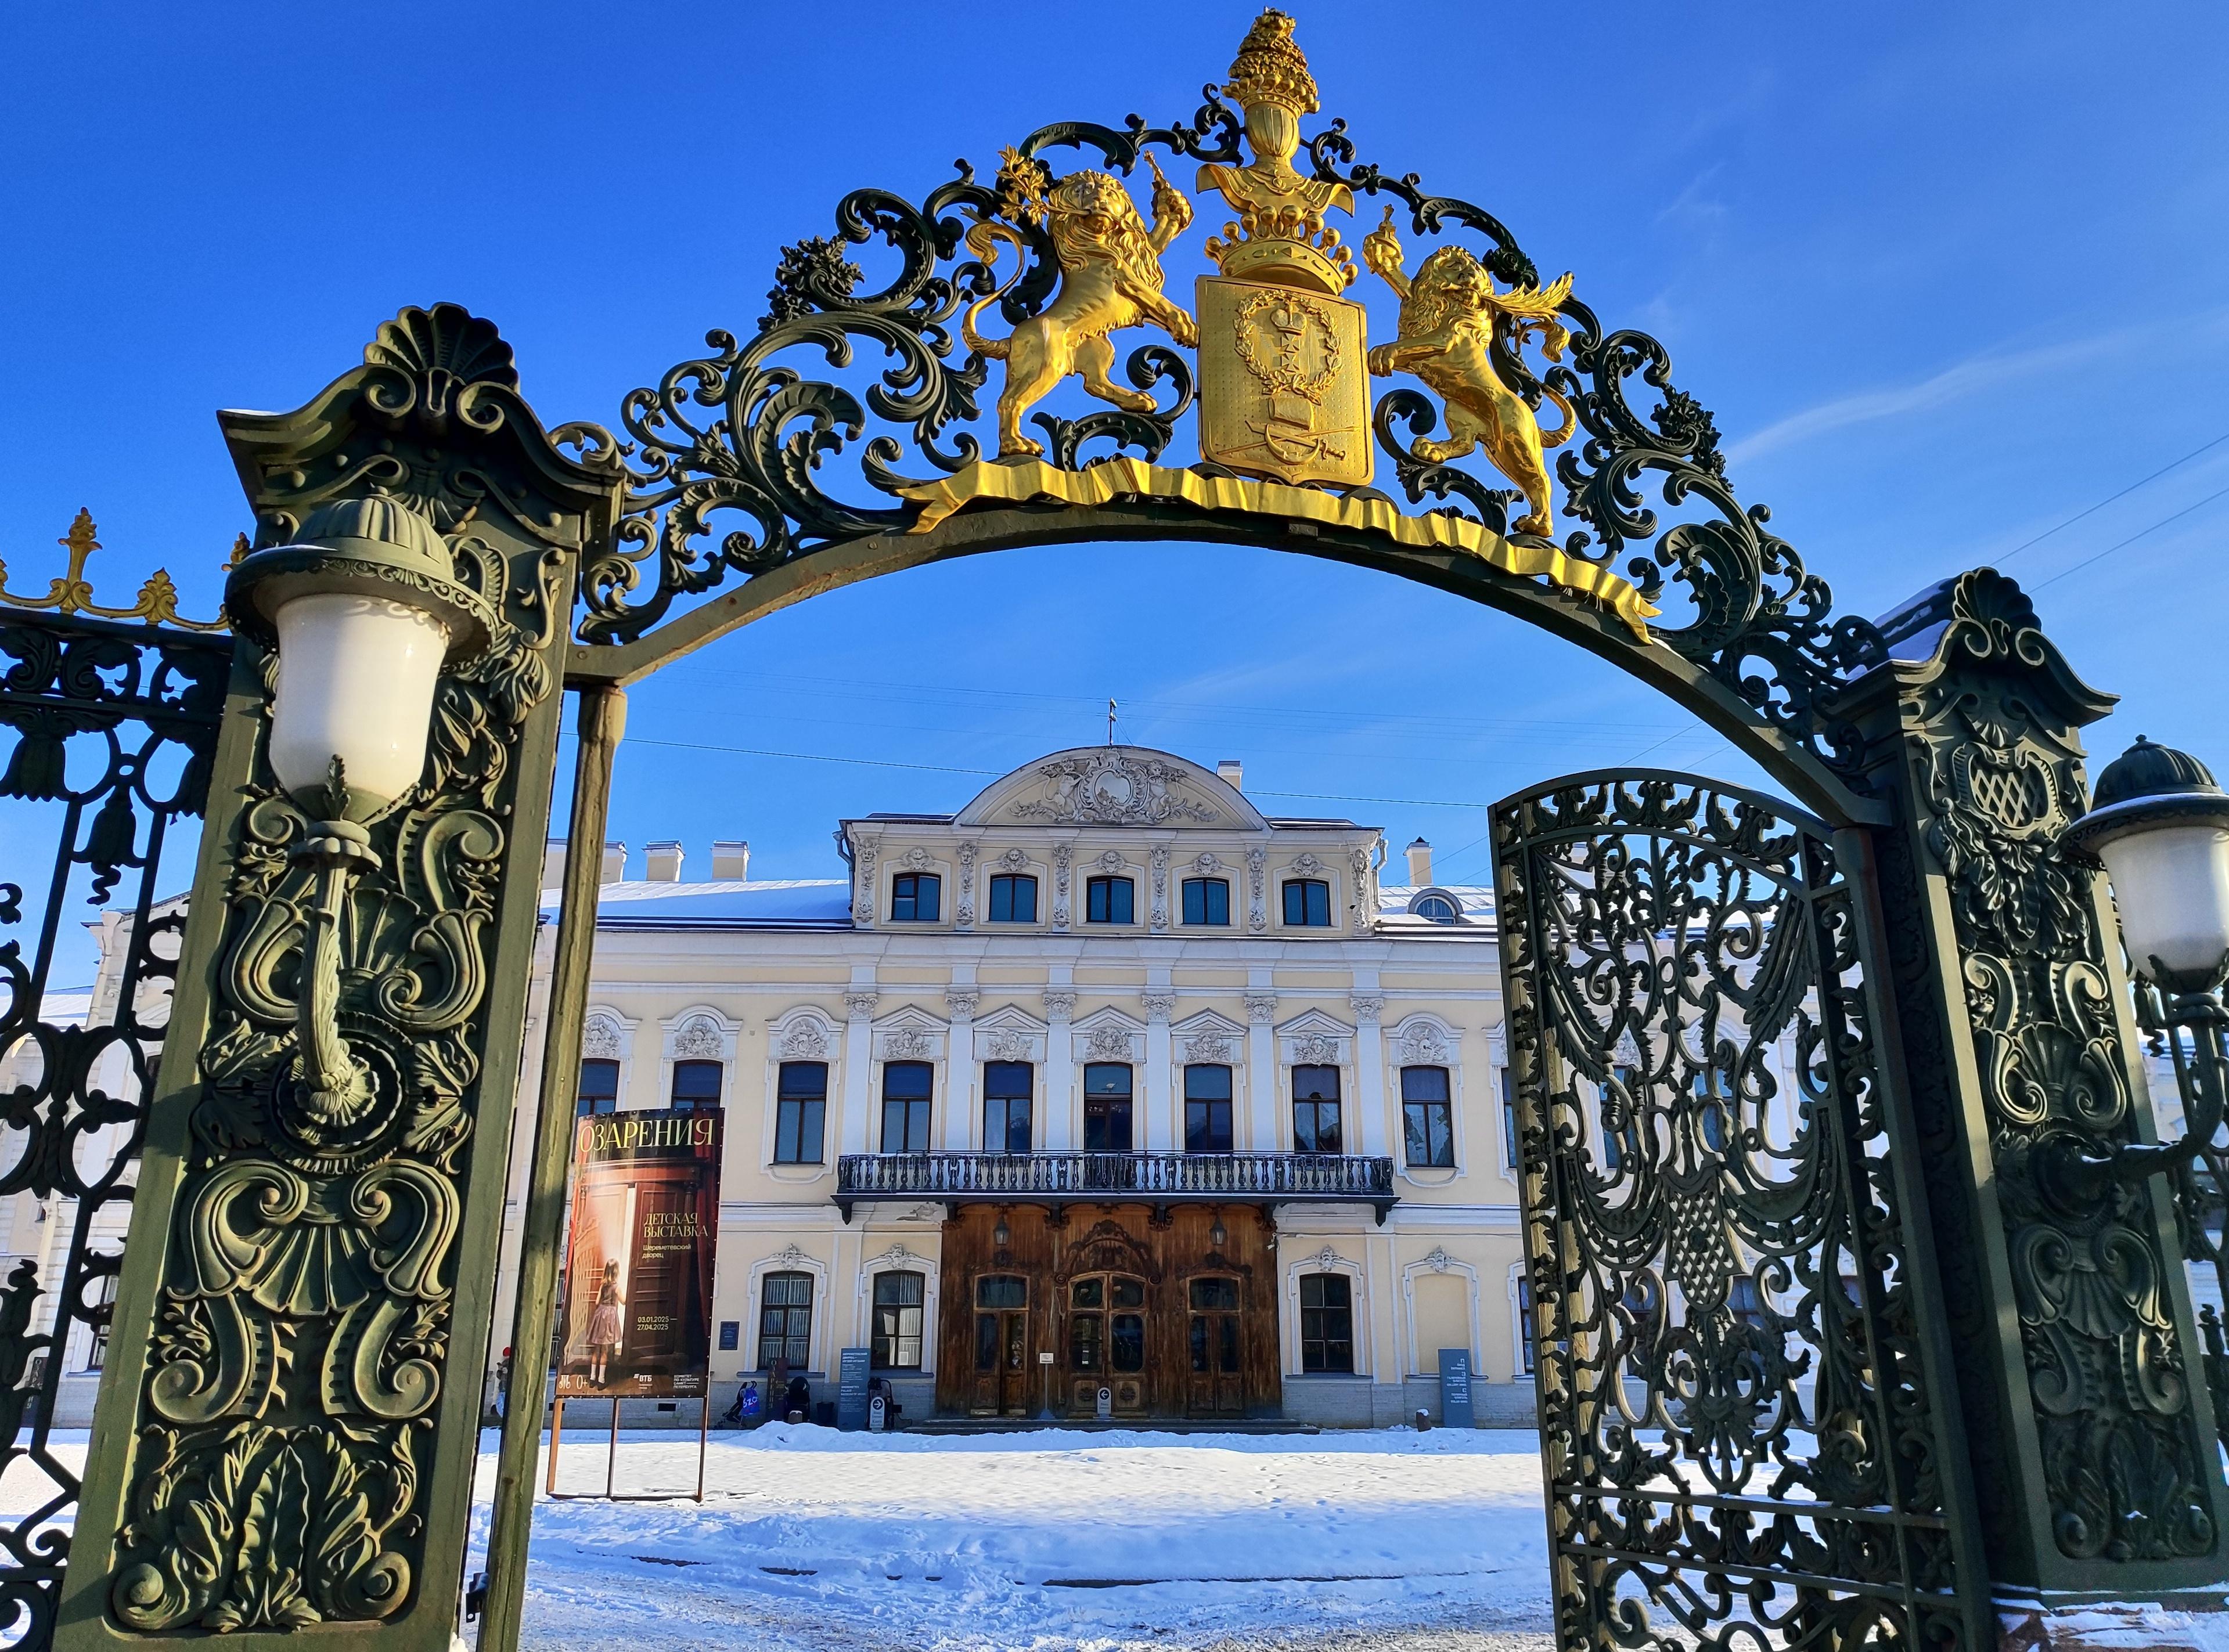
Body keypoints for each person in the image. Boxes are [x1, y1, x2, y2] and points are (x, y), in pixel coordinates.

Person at [584, 1260, 624, 1387]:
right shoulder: (617, 1287)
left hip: (600, 1314)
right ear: (617, 1271)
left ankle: (592, 1378)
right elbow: (624, 1302)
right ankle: (601, 1380)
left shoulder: (603, 1286)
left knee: (597, 1350)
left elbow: (597, 1302)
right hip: (610, 1316)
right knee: (605, 1351)